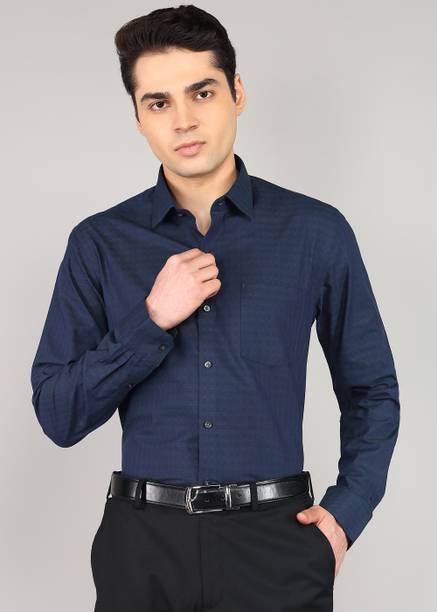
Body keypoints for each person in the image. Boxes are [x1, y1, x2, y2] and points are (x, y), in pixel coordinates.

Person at [30, 5, 400, 611]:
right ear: (138, 118)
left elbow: (372, 389)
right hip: (142, 550)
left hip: (277, 547)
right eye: (158, 102)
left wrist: (346, 513)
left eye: (201, 92)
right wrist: (150, 321)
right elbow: (57, 415)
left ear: (237, 93)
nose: (183, 120)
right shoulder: (98, 244)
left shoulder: (315, 232)